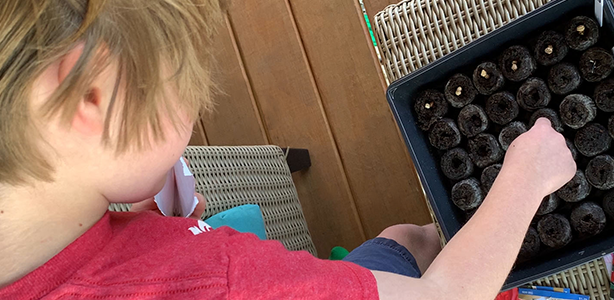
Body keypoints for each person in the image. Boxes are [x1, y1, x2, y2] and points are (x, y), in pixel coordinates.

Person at [0, 1, 576, 299]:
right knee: (412, 242)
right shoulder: (217, 282)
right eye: (184, 90)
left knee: (406, 242)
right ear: (93, 95)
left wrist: (127, 222)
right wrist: (525, 175)